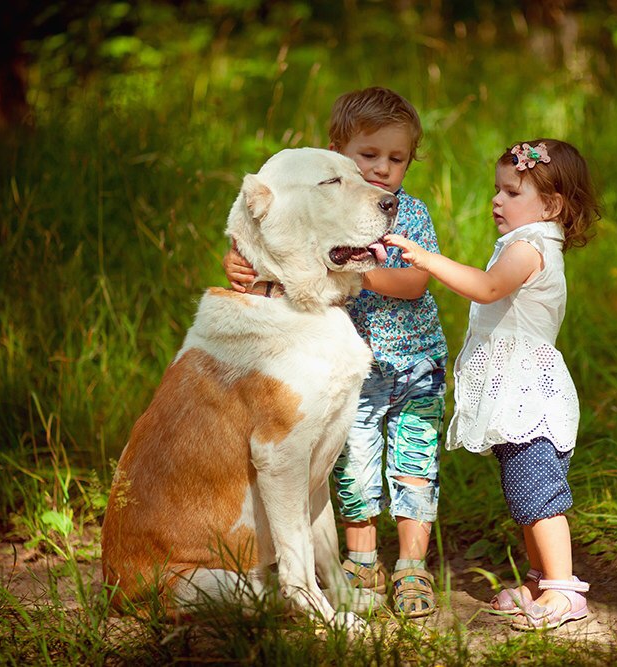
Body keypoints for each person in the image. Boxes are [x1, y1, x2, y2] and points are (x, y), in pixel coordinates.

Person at [223, 87, 447, 618]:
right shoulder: (322, 214)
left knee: (415, 468)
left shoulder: (404, 213)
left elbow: (415, 281)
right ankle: (361, 562)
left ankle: (413, 568)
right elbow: (280, 259)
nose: (382, 170)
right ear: (337, 154)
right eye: (368, 157)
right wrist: (242, 270)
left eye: (397, 159)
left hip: (413, 366)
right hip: (351, 372)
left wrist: (358, 263)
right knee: (352, 468)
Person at [384, 138, 598, 630]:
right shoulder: (524, 243)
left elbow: (487, 288)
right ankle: (541, 580)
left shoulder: (529, 247)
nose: (496, 201)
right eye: (496, 190)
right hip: (517, 393)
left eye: (511, 191)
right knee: (524, 493)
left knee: (540, 495)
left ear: (551, 205)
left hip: (531, 396)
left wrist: (426, 259)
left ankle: (564, 590)